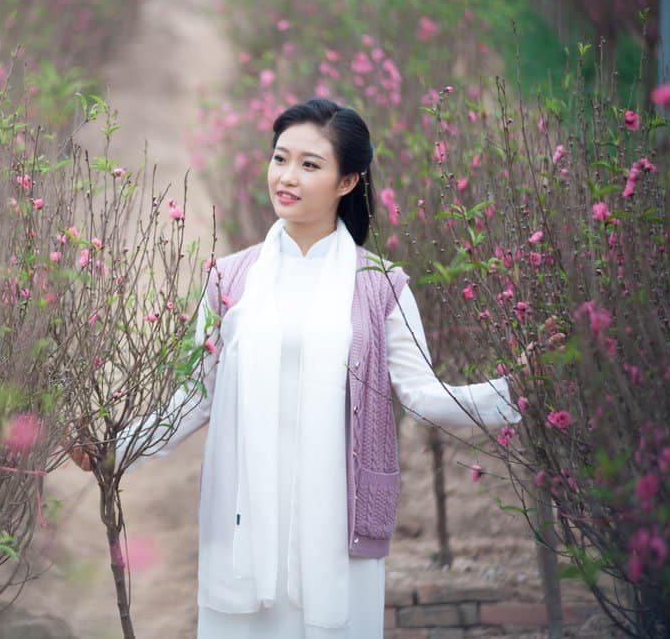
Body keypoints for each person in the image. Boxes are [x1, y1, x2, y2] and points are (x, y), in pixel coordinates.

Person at [71, 99, 541, 638]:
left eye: (309, 164)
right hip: (245, 517)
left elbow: (422, 396)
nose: (287, 177)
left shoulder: (380, 286)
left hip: (336, 524)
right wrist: (116, 448)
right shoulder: (230, 279)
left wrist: (514, 390)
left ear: (347, 181)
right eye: (280, 158)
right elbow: (196, 397)